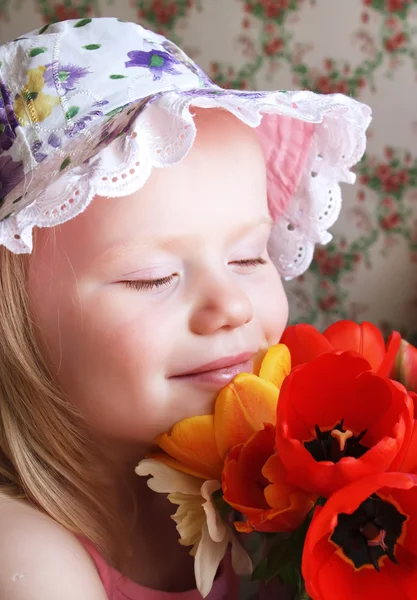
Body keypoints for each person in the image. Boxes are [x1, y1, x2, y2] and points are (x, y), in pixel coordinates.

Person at [0, 17, 371, 600]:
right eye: (153, 278)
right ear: (12, 323)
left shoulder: (242, 481)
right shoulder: (28, 558)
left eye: (250, 258)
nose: (229, 307)